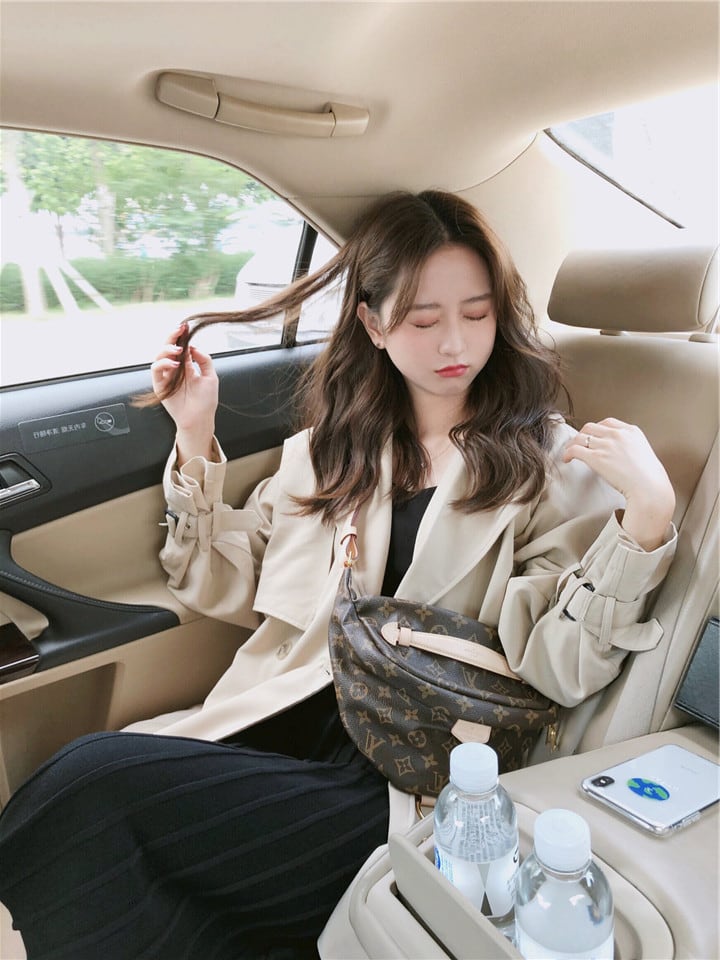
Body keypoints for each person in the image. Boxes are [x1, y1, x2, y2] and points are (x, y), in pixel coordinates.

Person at [0, 190, 677, 960]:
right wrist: (194, 432)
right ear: (373, 324)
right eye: (423, 319)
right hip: (279, 722)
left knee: (92, 788)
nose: (455, 341)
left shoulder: (547, 466)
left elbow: (562, 665)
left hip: (404, 778)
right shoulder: (329, 452)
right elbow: (212, 581)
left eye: (477, 313)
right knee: (89, 816)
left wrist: (646, 519)